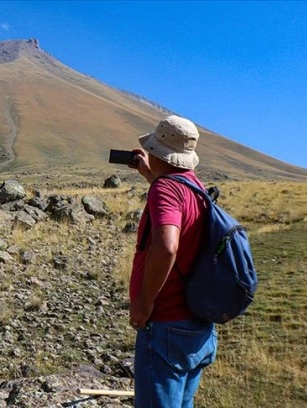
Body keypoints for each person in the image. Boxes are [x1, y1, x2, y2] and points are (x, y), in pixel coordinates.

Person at [127, 115, 217, 407]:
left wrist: (145, 302)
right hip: (197, 325)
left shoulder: (165, 189)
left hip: (166, 325)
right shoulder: (196, 189)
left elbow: (166, 247)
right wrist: (150, 176)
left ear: (158, 152)